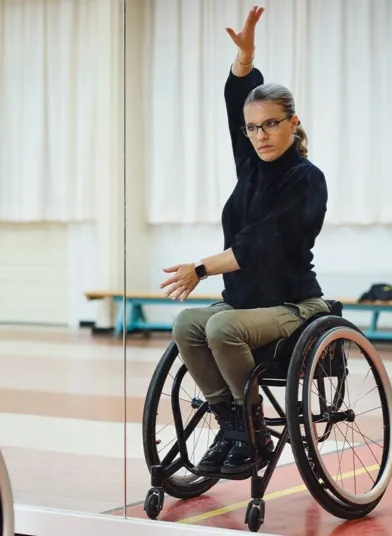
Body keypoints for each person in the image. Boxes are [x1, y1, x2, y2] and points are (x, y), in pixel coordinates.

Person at [159, 5, 329, 476]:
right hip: (245, 303)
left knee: (220, 328)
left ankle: (253, 430)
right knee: (187, 324)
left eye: (271, 123)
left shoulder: (307, 179)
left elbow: (263, 243)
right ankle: (230, 420)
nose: (260, 134)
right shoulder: (251, 164)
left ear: (292, 123)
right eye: (253, 127)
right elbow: (239, 97)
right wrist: (244, 60)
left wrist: (200, 268)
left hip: (294, 304)